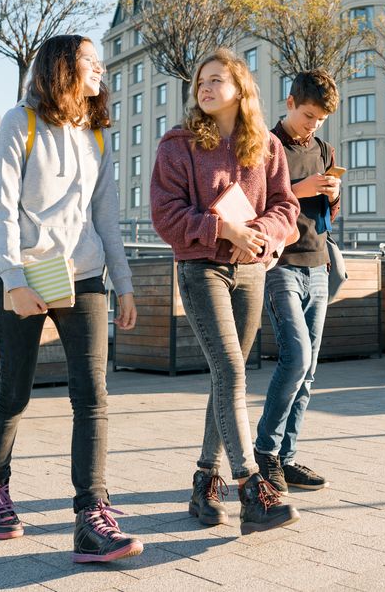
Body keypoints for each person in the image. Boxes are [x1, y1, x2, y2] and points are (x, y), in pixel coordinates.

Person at [0, 34, 143, 563]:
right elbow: (3, 209)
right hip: (25, 276)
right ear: (62, 66)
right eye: (90, 61)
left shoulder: (96, 134)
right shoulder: (19, 122)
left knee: (92, 396)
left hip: (84, 275)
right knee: (15, 391)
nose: (100, 69)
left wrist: (123, 283)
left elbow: (106, 216)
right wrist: (13, 279)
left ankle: (91, 516)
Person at [150, 48, 301, 534]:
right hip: (201, 269)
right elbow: (165, 215)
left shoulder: (268, 146)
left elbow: (286, 207)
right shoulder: (178, 144)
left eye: (216, 80)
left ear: (241, 88)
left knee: (226, 378)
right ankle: (251, 488)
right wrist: (223, 229)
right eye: (201, 82)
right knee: (232, 371)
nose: (206, 88)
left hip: (251, 271)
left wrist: (261, 232)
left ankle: (204, 482)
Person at [253, 70, 341, 494]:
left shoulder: (324, 150)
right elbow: (255, 202)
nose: (313, 125)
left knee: (308, 373)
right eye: (308, 116)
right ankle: (265, 452)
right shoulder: (266, 146)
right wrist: (298, 189)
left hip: (318, 264)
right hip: (281, 264)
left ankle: (286, 459)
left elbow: (326, 214)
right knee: (296, 359)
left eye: (320, 119)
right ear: (289, 103)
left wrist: (333, 195)